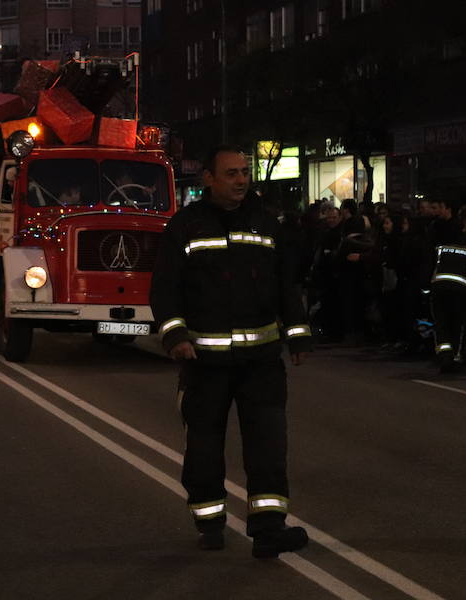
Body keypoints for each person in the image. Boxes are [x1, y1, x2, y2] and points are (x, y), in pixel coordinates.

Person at [150, 145, 312, 558]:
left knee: (269, 449)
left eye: (244, 172)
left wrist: (297, 334)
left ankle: (268, 529)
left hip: (261, 363)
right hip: (205, 364)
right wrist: (176, 336)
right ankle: (210, 521)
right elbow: (165, 289)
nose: (241, 180)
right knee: (203, 452)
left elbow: (285, 284)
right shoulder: (184, 227)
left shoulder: (266, 223)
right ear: (208, 178)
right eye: (231, 173)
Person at [428, 225, 466, 373]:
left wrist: (425, 291)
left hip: (438, 290)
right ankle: (455, 357)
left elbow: (429, 269)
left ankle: (445, 355)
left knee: (441, 324)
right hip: (461, 293)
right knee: (458, 325)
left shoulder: (440, 250)